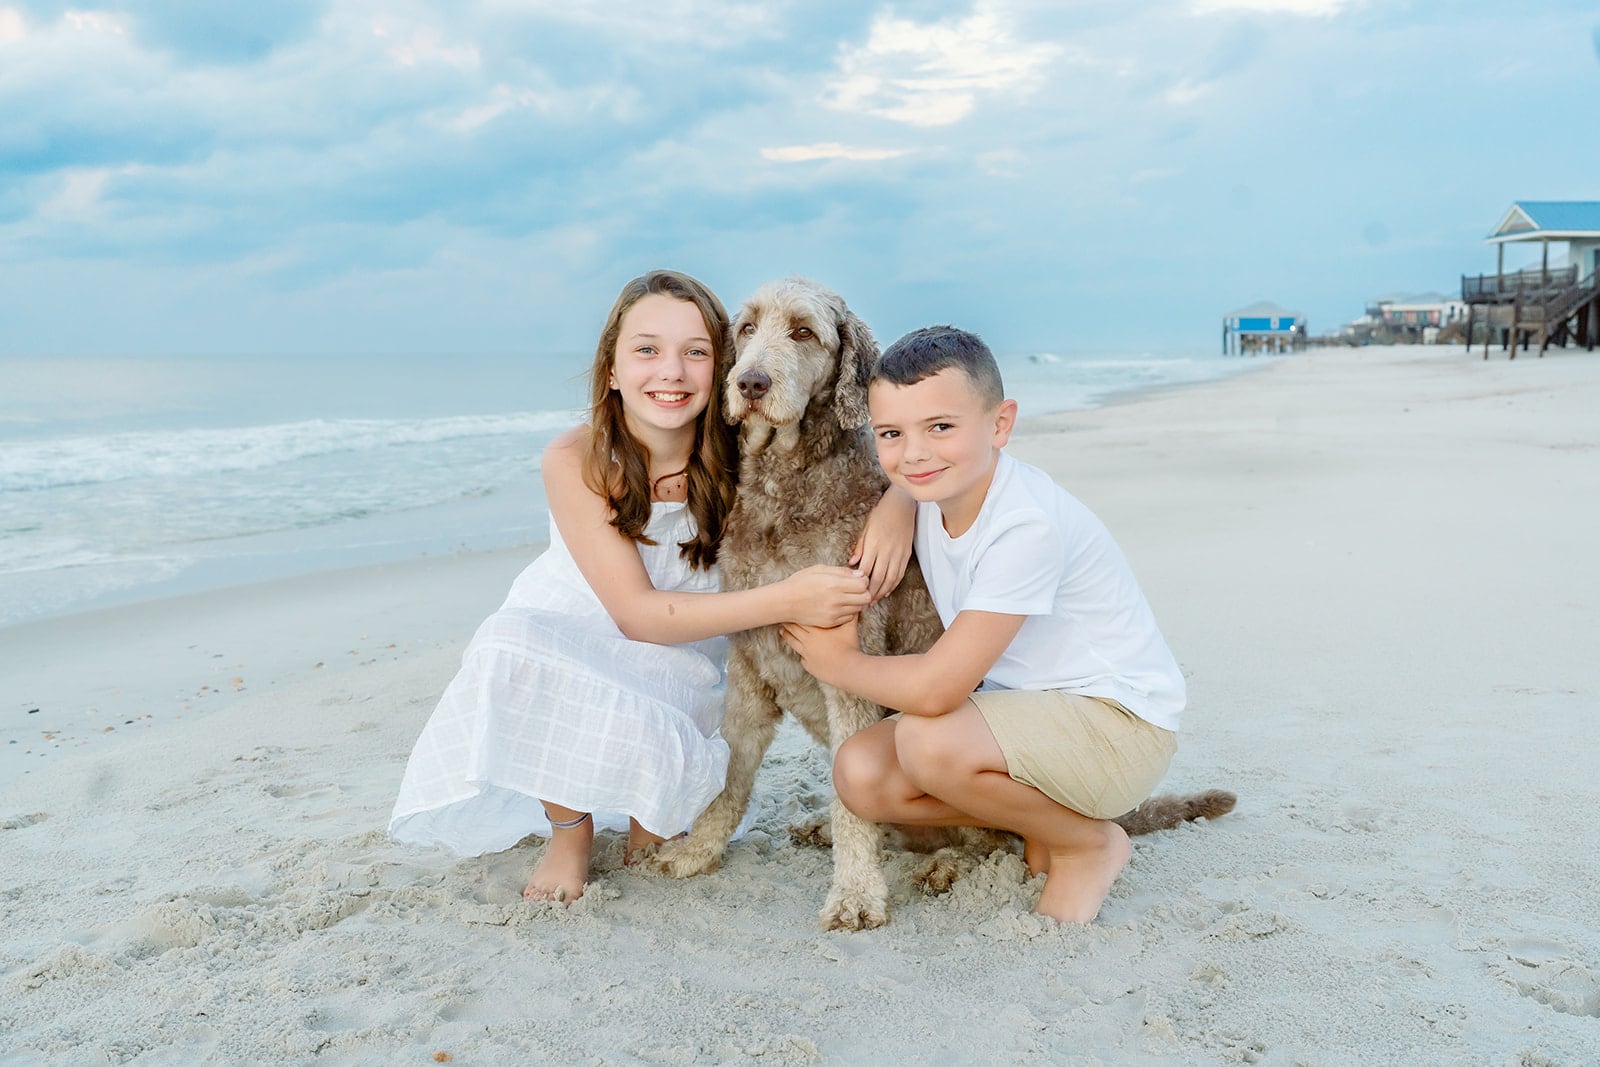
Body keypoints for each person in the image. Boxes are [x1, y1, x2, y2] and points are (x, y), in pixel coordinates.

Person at [389, 269, 913, 903]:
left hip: (682, 646)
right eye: (646, 350)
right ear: (611, 368)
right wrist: (793, 598)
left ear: (719, 365)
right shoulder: (576, 458)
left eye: (696, 352)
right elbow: (636, 614)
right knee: (515, 646)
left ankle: (650, 809)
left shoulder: (742, 445)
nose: (671, 371)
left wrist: (900, 502)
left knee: (670, 748)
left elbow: (895, 452)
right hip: (589, 627)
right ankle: (569, 832)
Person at [780, 325, 1185, 924]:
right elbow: (913, 475)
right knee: (860, 775)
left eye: (941, 427)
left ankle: (1087, 844)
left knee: (928, 741)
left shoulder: (1024, 525)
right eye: (891, 434)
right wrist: (896, 502)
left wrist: (839, 663)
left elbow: (938, 690)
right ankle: (1045, 823)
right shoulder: (932, 492)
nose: (915, 454)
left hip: (1118, 728)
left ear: (1001, 424)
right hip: (1031, 719)